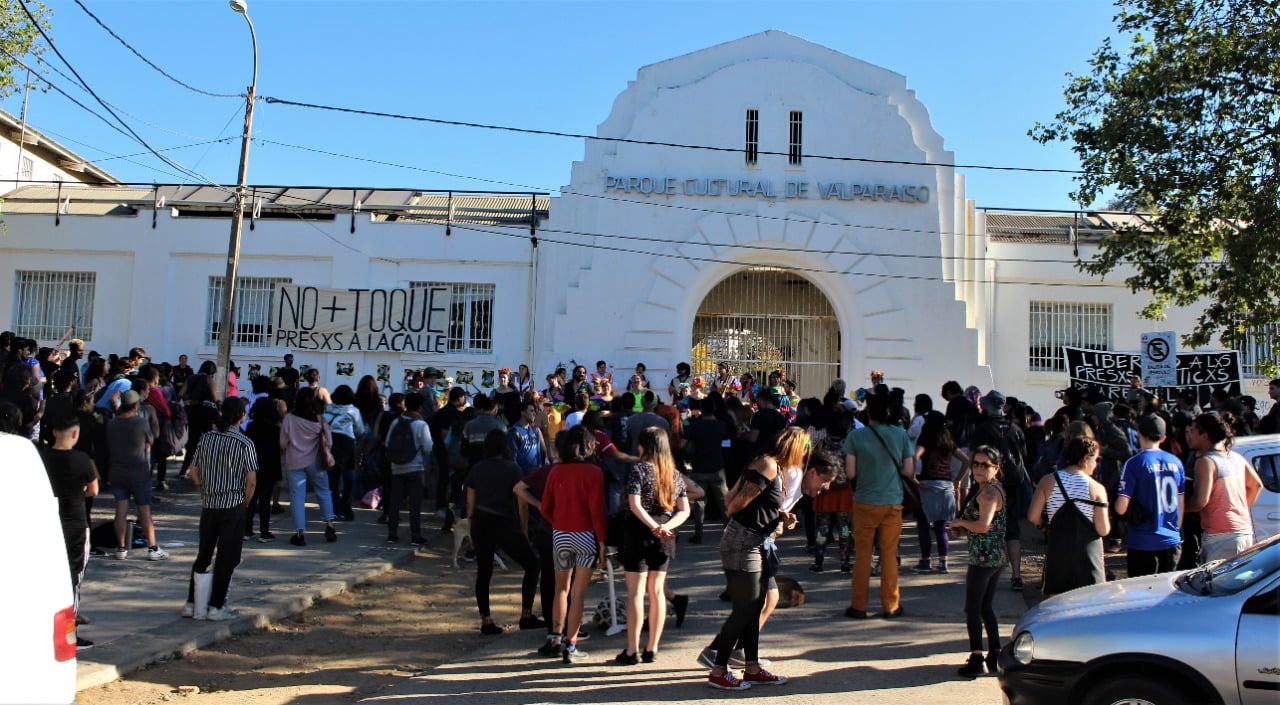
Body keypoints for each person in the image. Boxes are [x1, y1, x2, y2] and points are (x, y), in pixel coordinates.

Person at [703, 428, 830, 690]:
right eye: (805, 448)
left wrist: (779, 517)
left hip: (756, 541)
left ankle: (752, 667)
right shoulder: (769, 466)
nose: (807, 454)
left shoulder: (779, 471)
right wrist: (759, 517)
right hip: (743, 541)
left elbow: (759, 505)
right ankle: (718, 668)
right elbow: (735, 504)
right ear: (794, 447)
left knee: (758, 602)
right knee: (746, 607)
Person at [616, 427, 690, 665]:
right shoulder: (674, 474)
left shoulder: (638, 469)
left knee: (636, 593)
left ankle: (632, 650)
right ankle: (652, 648)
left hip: (638, 532)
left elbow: (634, 504)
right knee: (657, 592)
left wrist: (652, 526)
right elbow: (684, 509)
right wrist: (666, 527)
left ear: (644, 446)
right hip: (665, 534)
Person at [183, 397, 257, 621]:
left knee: (203, 554)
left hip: (209, 504)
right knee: (227, 557)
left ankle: (192, 602)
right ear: (242, 416)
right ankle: (217, 605)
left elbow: (193, 471)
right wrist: (245, 501)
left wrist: (203, 489)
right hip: (233, 505)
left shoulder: (206, 439)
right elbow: (251, 480)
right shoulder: (245, 443)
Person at [843, 391, 915, 619]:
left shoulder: (856, 437)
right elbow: (908, 471)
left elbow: (850, 472)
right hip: (893, 501)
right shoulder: (900, 435)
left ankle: (859, 605)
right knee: (889, 555)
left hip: (864, 501)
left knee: (863, 556)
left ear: (868, 413)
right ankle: (891, 605)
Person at [539, 425, 607, 663]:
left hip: (560, 534)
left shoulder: (555, 471)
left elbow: (545, 507)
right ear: (588, 445)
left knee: (561, 589)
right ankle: (572, 645)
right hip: (586, 535)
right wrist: (602, 541)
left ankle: (555, 637)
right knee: (578, 595)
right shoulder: (594, 472)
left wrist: (558, 522)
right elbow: (597, 510)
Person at [466, 428, 542, 635]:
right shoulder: (513, 468)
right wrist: (524, 529)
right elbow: (522, 503)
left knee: (484, 571)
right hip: (504, 522)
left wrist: (471, 531)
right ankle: (526, 614)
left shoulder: (476, 469)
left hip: (481, 521)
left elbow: (470, 505)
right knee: (532, 565)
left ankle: (486, 620)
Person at [40, 411, 99, 650]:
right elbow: (93, 490)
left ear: (53, 432)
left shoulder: (41, 457)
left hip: (49, 522)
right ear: (75, 433)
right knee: (73, 580)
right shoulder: (83, 460)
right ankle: (69, 632)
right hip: (75, 522)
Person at [950, 445, 1007, 678]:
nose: (979, 469)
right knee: (985, 607)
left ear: (996, 468)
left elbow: (983, 526)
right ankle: (995, 653)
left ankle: (977, 657)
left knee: (972, 608)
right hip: (993, 556)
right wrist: (963, 527)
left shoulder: (989, 494)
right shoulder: (989, 489)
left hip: (983, 559)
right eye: (975, 464)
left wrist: (960, 524)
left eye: (985, 465)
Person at [1027, 436, 1109, 595]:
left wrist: (1044, 525)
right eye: (1096, 459)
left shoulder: (1048, 481)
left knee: (1057, 604)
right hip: (1088, 558)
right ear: (1086, 458)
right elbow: (1103, 529)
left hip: (1059, 553)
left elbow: (1032, 516)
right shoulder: (1097, 488)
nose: (1096, 464)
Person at [1184, 413, 1263, 563]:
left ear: (1204, 435)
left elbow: (1200, 501)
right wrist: (1238, 508)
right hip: (1244, 532)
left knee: (1216, 584)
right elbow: (1256, 485)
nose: (1189, 436)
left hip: (1220, 536)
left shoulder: (1206, 462)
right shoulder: (1235, 457)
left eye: (1193, 431)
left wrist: (1178, 510)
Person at [1117, 415, 1185, 576]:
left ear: (1138, 433)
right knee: (1166, 595)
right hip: (1171, 540)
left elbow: (1121, 507)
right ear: (1163, 438)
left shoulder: (1134, 463)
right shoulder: (1176, 462)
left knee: (1143, 596)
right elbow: (1180, 503)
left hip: (1142, 542)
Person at [108, 390, 167, 561]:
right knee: (144, 511)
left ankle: (120, 548)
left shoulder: (112, 424)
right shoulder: (140, 422)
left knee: (120, 510)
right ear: (135, 405)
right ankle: (153, 548)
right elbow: (150, 440)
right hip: (138, 470)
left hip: (117, 471)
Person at [280, 387, 338, 546]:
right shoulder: (320, 420)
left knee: (297, 498)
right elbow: (329, 443)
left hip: (294, 461)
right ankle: (329, 526)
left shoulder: (289, 418)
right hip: (317, 462)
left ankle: (299, 533)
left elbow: (283, 443)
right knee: (324, 492)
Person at [913, 410, 964, 573]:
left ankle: (926, 561)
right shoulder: (948, 441)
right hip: (946, 485)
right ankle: (943, 563)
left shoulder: (926, 438)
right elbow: (967, 460)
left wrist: (913, 478)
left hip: (928, 484)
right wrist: (958, 479)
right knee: (941, 527)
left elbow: (915, 457)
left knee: (923, 524)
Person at [385, 392, 432, 544]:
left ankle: (392, 533)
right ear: (420, 407)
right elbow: (428, 447)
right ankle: (415, 535)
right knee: (415, 503)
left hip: (396, 467)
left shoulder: (396, 422)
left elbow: (387, 443)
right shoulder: (421, 424)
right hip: (415, 468)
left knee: (395, 501)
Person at [244, 397, 285, 542]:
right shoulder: (275, 429)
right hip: (270, 466)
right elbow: (281, 447)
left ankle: (247, 530)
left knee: (250, 498)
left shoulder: (251, 427)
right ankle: (264, 531)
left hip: (253, 465)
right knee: (265, 500)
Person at [323, 385, 364, 522]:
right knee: (349, 477)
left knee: (332, 479)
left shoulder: (328, 409)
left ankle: (333, 509)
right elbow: (360, 430)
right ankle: (346, 508)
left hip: (331, 443)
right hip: (347, 444)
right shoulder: (354, 411)